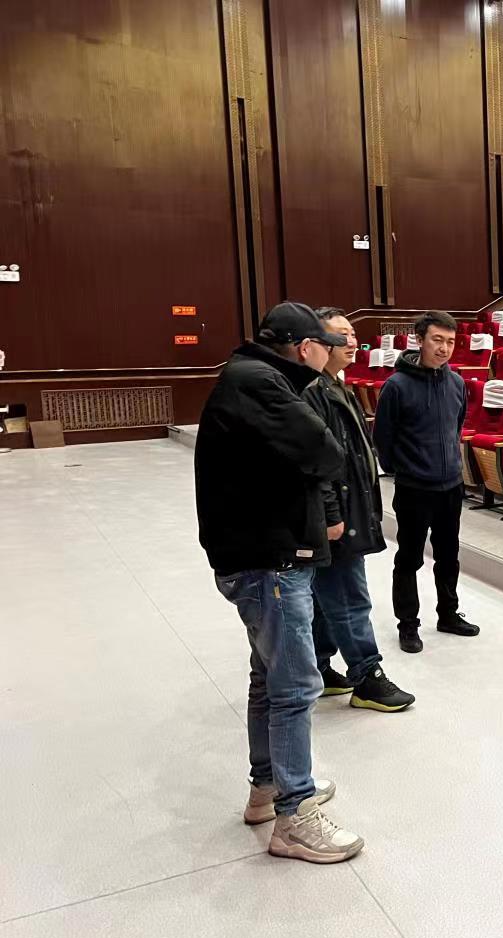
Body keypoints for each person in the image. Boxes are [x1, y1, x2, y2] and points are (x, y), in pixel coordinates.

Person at [195, 301, 365, 863]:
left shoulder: (249, 376)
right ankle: (295, 817)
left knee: (269, 679)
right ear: (306, 347)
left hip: (258, 554)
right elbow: (326, 452)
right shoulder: (263, 383)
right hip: (269, 560)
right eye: (326, 346)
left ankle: (267, 788)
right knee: (294, 687)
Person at [304, 308, 415, 712]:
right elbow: (318, 461)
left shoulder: (336, 385)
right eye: (341, 335)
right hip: (337, 515)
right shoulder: (314, 392)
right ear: (316, 343)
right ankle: (367, 677)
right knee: (349, 596)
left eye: (352, 334)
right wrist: (333, 515)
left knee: (325, 594)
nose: (351, 342)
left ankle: (319, 667)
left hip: (347, 508)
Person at [372, 310, 480, 652]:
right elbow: (383, 437)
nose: (444, 348)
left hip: (450, 486)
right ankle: (408, 624)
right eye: (437, 340)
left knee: (449, 555)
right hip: (414, 488)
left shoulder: (457, 383)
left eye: (450, 341)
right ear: (419, 340)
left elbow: (456, 426)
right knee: (409, 558)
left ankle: (448, 614)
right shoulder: (396, 386)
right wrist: (404, 468)